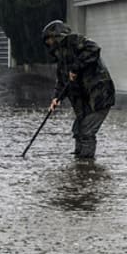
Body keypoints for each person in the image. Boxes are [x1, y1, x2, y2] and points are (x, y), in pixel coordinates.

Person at [42, 20, 116, 159]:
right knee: (78, 128)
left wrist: (76, 67)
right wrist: (56, 98)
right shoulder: (61, 58)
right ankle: (79, 162)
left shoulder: (75, 41)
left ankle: (86, 166)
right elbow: (62, 82)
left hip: (99, 94)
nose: (48, 43)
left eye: (50, 39)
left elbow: (94, 49)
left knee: (87, 130)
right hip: (83, 99)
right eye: (47, 40)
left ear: (57, 36)